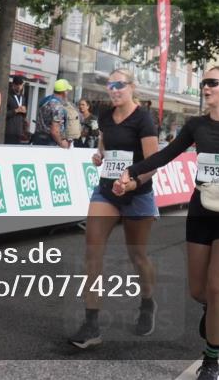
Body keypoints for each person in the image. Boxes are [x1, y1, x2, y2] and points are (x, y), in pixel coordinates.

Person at [115, 66, 219, 380]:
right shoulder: (196, 126)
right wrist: (132, 173)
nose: (205, 88)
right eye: (203, 83)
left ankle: (211, 363)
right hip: (201, 210)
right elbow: (166, 156)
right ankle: (213, 308)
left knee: (217, 287)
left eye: (211, 83)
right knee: (197, 290)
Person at [68, 69, 159, 349]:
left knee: (137, 255)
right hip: (107, 190)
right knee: (92, 250)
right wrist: (100, 155)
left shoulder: (143, 118)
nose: (114, 90)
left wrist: (132, 183)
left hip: (137, 193)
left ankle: (147, 303)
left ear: (131, 87)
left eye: (119, 85)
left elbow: (153, 162)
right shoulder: (106, 116)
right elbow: (105, 144)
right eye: (110, 85)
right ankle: (91, 323)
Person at [31, 79, 72, 148]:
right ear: (64, 92)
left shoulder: (46, 101)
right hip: (49, 141)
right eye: (67, 90)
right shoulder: (57, 106)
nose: (67, 93)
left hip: (38, 139)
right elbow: (55, 131)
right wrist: (61, 143)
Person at [4, 75, 29, 145]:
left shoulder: (23, 98)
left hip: (19, 131)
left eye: (20, 84)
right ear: (13, 85)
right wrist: (16, 111)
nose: (19, 86)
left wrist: (24, 112)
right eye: (17, 84)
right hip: (9, 131)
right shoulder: (8, 96)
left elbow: (23, 116)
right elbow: (3, 114)